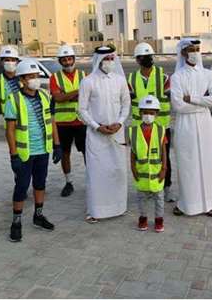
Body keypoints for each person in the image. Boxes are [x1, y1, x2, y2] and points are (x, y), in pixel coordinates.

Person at [5, 59, 61, 242]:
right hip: (24, 153)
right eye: (30, 77)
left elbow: (52, 122)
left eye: (36, 76)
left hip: (42, 150)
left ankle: (38, 215)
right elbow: (10, 130)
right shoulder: (13, 99)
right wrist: (13, 155)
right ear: (22, 80)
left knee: (40, 183)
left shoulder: (45, 96)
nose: (35, 80)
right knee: (21, 187)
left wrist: (57, 145)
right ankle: (16, 221)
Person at [170, 38, 212, 217]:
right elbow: (178, 105)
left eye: (197, 49)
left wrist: (193, 99)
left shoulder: (207, 74)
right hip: (185, 125)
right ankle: (187, 203)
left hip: (205, 124)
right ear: (184, 53)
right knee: (188, 163)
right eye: (190, 49)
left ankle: (211, 202)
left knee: (208, 161)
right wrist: (203, 102)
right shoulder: (177, 77)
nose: (194, 52)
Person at [78, 46, 131, 223]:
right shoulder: (88, 82)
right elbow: (82, 110)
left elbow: (126, 105)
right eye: (105, 58)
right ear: (98, 60)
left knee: (118, 170)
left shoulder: (120, 81)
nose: (109, 62)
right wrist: (96, 126)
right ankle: (96, 210)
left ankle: (118, 207)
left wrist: (120, 122)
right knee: (97, 172)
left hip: (117, 133)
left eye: (111, 58)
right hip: (96, 135)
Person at [128, 42, 175, 202]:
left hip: (161, 126)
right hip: (139, 128)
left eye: (149, 56)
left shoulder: (163, 77)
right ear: (137, 60)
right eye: (143, 57)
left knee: (163, 157)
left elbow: (170, 98)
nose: (147, 59)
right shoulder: (132, 78)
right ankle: (146, 186)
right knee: (142, 158)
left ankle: (165, 187)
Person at [49, 44, 87, 197]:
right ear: (60, 61)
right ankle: (68, 182)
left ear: (74, 59)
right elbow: (58, 98)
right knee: (65, 153)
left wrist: (66, 94)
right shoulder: (55, 77)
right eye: (64, 60)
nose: (67, 62)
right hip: (62, 123)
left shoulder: (84, 75)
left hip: (82, 121)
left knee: (87, 153)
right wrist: (78, 92)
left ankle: (91, 180)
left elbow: (89, 96)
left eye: (69, 58)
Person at [129, 95, 167, 233]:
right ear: (140, 113)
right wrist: (132, 167)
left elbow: (164, 150)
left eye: (151, 113)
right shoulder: (133, 131)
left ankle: (159, 220)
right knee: (141, 199)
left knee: (159, 199)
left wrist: (164, 168)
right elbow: (132, 151)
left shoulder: (161, 130)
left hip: (157, 172)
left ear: (156, 114)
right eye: (145, 112)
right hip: (142, 172)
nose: (148, 115)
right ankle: (143, 218)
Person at [0, 46, 21, 115]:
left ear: (17, 62)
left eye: (13, 60)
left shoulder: (23, 77)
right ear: (1, 62)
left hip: (25, 116)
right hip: (8, 118)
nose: (10, 62)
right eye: (7, 60)